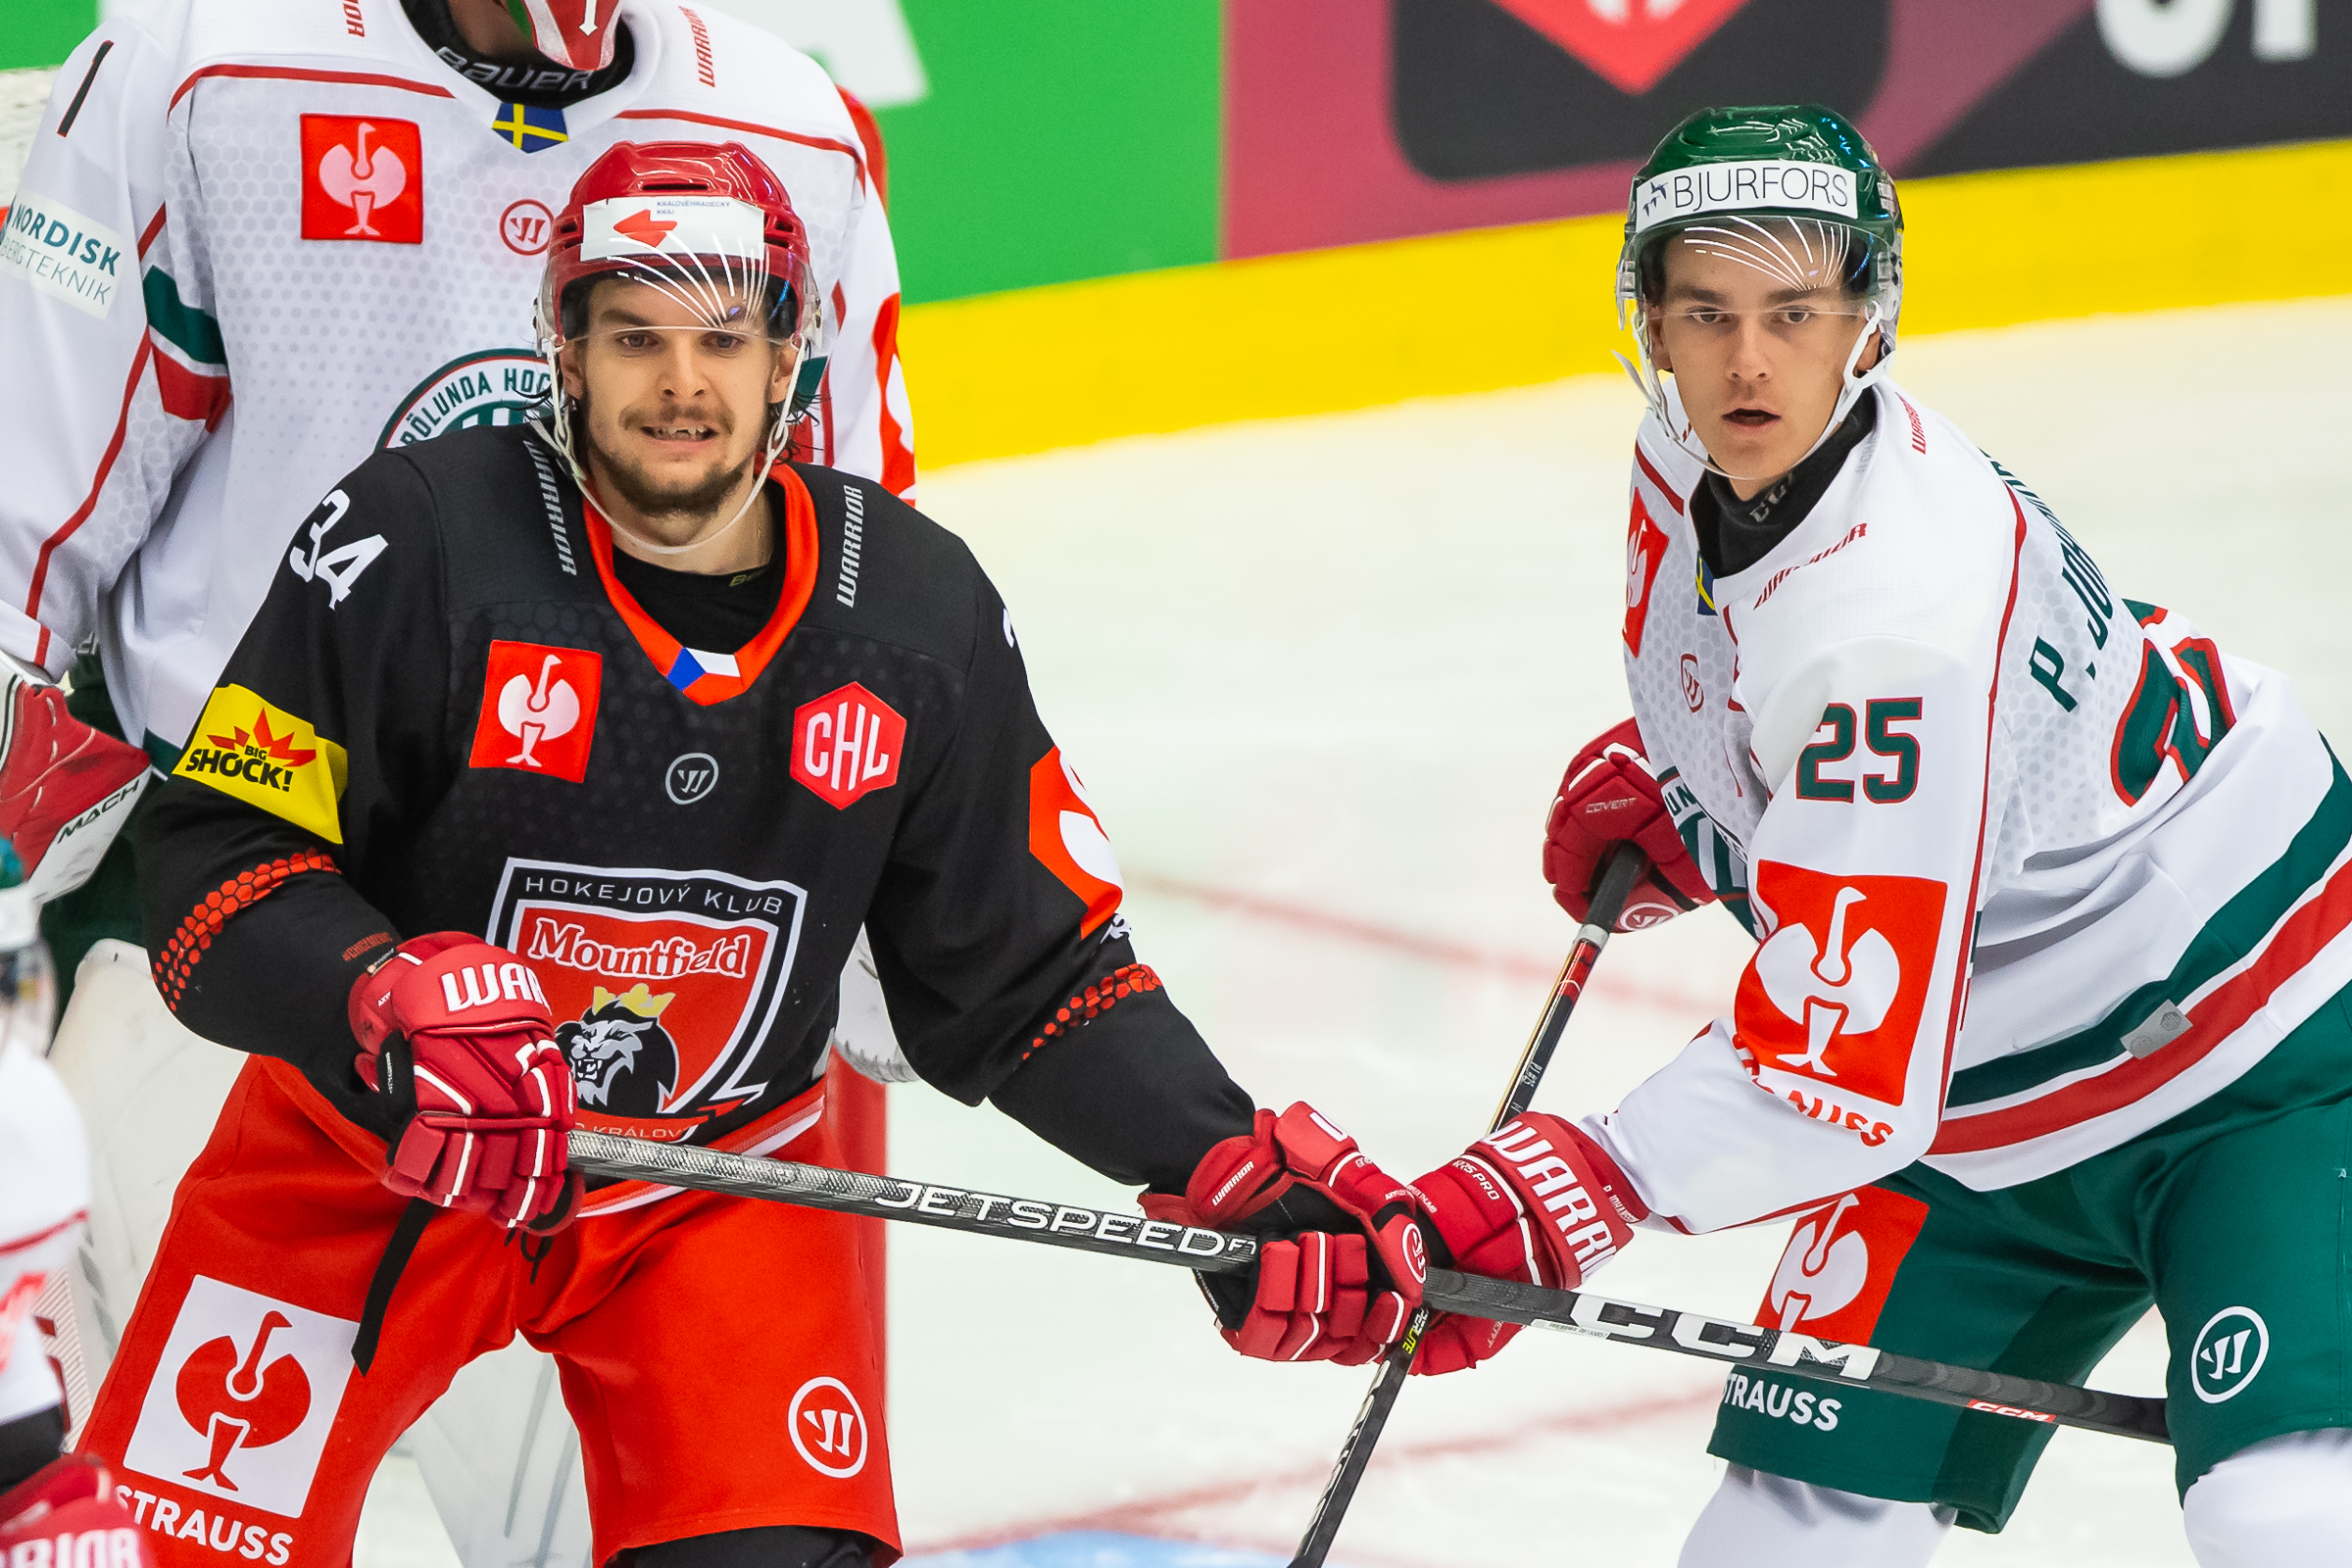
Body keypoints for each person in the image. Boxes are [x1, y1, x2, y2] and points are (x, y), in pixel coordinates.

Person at [72, 141, 1443, 1568]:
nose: (682, 384)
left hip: (717, 1192)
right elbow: (214, 858)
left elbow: (1032, 974)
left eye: (723, 339)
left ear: (790, 355)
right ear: (565, 351)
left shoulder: (914, 616)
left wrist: (1221, 1157)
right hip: (370, 1158)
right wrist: (375, 987)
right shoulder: (412, 540)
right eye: (636, 337)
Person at [2, 2, 914, 1558]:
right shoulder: (203, 65)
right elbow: (20, 534)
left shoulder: (789, 127)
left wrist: (898, 912)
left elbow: (852, 601)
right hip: (242, 961)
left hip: (632, 1014)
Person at [1398, 105, 2352, 1565]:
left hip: (2265, 1052)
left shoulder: (1890, 620)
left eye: (1795, 313)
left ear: (1868, 318)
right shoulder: (1702, 459)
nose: (1748, 363)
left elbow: (1836, 1067)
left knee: (2279, 1514)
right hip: (1981, 1090)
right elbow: (1827, 719)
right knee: (1784, 1532)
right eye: (1706, 313)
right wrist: (1725, 805)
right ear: (1648, 320)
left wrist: (1572, 1183)